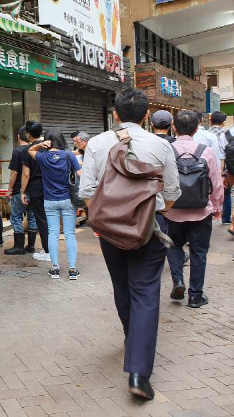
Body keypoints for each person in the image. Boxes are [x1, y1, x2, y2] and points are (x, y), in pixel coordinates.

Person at [80, 88, 180, 400]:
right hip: (149, 229)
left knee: (121, 286)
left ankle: (130, 335)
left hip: (110, 231)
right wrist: (152, 211)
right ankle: (138, 373)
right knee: (146, 293)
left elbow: (87, 191)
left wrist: (108, 217)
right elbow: (173, 194)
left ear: (115, 115)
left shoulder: (96, 143)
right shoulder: (161, 145)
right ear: (147, 115)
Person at [165, 111, 223, 308]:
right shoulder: (205, 151)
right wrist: (216, 207)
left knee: (173, 246)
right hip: (201, 212)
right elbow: (216, 182)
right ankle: (196, 296)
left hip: (173, 211)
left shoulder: (167, 150)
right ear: (197, 129)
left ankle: (178, 281)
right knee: (199, 253)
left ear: (174, 127)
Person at [28, 129, 82, 279]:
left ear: (47, 140)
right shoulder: (68, 155)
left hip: (50, 200)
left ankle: (55, 268)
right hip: (68, 200)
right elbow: (79, 173)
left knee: (53, 233)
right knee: (70, 234)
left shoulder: (42, 156)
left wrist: (40, 145)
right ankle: (72, 270)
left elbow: (30, 150)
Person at [5, 126, 37, 255]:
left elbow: (14, 173)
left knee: (16, 217)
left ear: (18, 137)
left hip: (20, 190)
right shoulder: (34, 150)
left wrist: (9, 189)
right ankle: (31, 246)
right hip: (34, 190)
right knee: (32, 217)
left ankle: (18, 246)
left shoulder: (17, 152)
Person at [21, 121, 50, 260]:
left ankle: (47, 250)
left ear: (28, 134)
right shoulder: (48, 147)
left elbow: (26, 174)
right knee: (50, 219)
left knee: (41, 220)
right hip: (50, 186)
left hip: (36, 188)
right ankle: (50, 248)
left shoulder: (29, 150)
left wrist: (22, 191)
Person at [209, 111, 232, 227]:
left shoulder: (204, 133)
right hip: (226, 169)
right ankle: (226, 218)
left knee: (207, 192)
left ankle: (209, 216)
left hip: (207, 169)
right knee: (226, 193)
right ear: (223, 122)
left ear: (210, 120)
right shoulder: (227, 134)